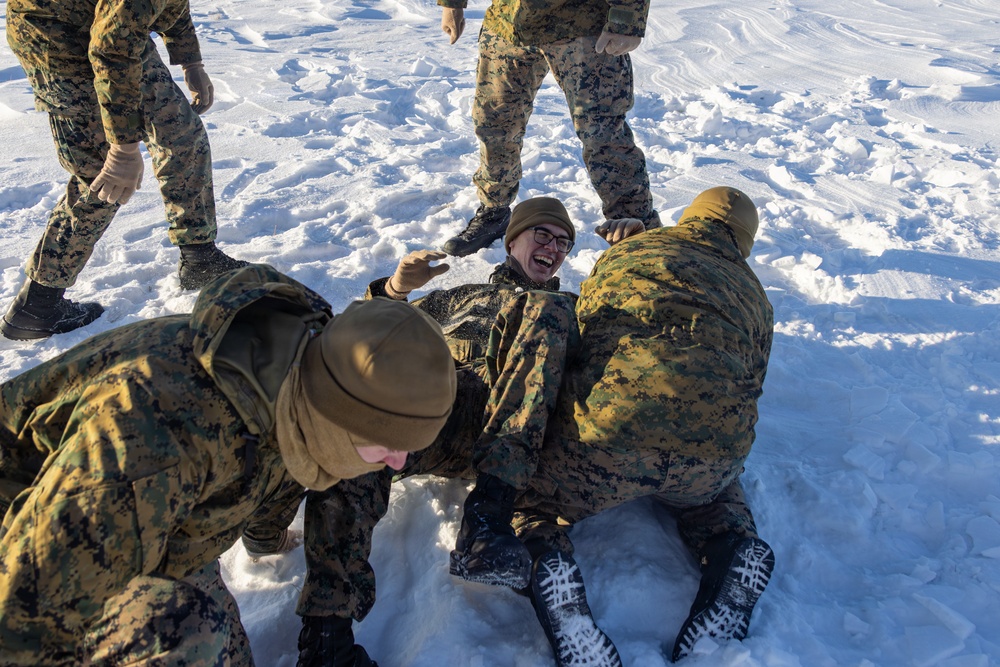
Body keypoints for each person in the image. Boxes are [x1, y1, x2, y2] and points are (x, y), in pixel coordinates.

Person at [0, 264, 457, 666]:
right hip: (34, 544)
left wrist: (268, 537)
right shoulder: (154, 439)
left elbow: (273, 474)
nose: (399, 461)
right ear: (340, 415)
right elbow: (23, 615)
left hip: (135, 525)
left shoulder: (300, 388)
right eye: (388, 443)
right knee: (186, 634)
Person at [454, 186, 776, 665]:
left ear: (690, 218)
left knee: (531, 496)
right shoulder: (757, 298)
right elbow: (753, 380)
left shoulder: (635, 249)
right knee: (715, 469)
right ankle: (732, 542)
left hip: (608, 441)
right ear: (743, 242)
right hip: (709, 460)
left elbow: (585, 329)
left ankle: (549, 559)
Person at [292, 196, 579, 666]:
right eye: (542, 235)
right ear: (512, 242)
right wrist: (392, 291)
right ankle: (326, 637)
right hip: (435, 409)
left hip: (511, 424)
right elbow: (368, 332)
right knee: (355, 449)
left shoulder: (567, 307)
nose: (553, 247)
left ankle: (488, 520)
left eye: (563, 242)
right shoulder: (458, 298)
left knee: (545, 311)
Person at [2, 0, 246, 341]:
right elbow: (111, 50)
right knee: (101, 174)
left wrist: (191, 60)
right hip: (55, 38)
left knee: (180, 132)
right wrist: (123, 149)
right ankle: (38, 306)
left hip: (110, 25)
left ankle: (199, 257)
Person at [437, 0, 661, 257]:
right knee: (494, 124)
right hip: (507, 22)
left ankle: (638, 233)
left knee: (602, 134)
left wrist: (626, 19)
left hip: (582, 24)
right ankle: (494, 209)